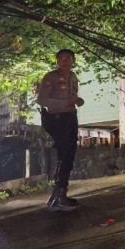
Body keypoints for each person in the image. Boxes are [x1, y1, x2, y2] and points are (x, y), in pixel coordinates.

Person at [36, 48, 85, 211]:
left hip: (70, 117)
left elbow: (72, 96)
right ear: (57, 62)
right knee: (65, 153)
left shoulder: (73, 77)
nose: (65, 61)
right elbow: (42, 99)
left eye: (68, 58)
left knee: (69, 154)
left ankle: (58, 194)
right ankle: (59, 195)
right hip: (56, 119)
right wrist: (65, 103)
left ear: (73, 61)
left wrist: (78, 100)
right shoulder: (51, 77)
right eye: (62, 58)